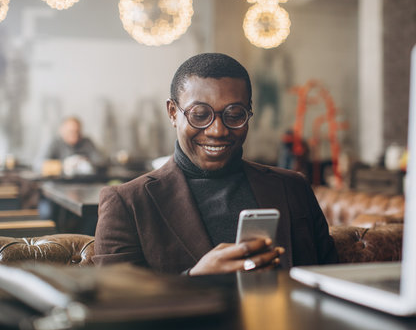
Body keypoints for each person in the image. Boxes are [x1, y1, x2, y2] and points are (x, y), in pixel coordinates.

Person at [93, 53, 338, 275]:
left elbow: (332, 281)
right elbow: (113, 307)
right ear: (172, 113)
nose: (218, 130)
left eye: (234, 115)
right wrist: (194, 280)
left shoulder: (293, 187)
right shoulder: (127, 203)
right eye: (200, 115)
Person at [34, 116, 105, 176]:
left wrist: (84, 162)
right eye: (71, 131)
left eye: (77, 131)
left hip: (84, 183)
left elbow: (100, 162)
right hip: (59, 184)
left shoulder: (87, 142)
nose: (75, 135)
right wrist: (63, 165)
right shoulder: (54, 143)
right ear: (62, 131)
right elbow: (38, 164)